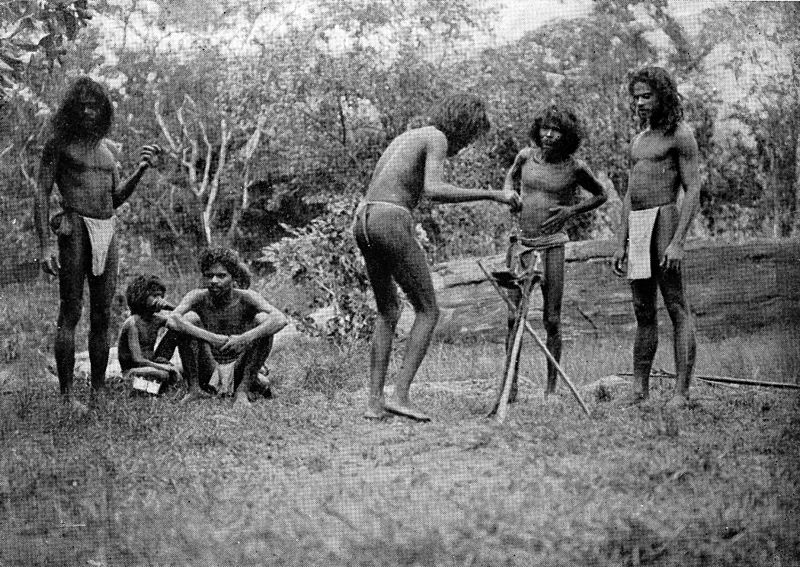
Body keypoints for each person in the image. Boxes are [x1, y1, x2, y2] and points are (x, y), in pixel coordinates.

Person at [354, 93, 522, 422]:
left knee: (387, 309)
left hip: (363, 218)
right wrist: (493, 194)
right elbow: (433, 190)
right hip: (389, 219)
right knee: (428, 310)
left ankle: (374, 402)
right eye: (471, 137)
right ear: (464, 127)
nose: (465, 146)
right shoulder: (438, 138)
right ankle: (400, 396)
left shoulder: (409, 135)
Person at [35, 76, 160, 413]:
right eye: (83, 106)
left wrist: (141, 169)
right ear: (72, 109)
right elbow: (42, 193)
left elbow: (115, 198)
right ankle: (66, 395)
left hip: (107, 227)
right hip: (75, 227)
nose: (89, 112)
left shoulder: (108, 152)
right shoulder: (59, 144)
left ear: (104, 110)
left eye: (95, 106)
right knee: (71, 311)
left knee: (103, 314)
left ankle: (98, 391)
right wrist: (45, 245)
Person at [502, 104, 608, 400]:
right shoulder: (525, 156)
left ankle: (550, 389)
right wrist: (509, 193)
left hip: (553, 246)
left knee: (551, 319)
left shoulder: (575, 167)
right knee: (514, 317)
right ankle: (510, 387)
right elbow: (510, 177)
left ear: (567, 136)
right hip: (521, 243)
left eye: (557, 130)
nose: (549, 135)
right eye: (545, 128)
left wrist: (570, 211)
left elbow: (602, 194)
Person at [612, 67, 700, 407]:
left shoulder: (680, 134)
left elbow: (693, 190)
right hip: (639, 223)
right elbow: (629, 195)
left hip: (665, 219)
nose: (639, 102)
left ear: (663, 96)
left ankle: (681, 392)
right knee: (642, 309)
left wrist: (678, 241)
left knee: (676, 306)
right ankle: (639, 390)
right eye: (635, 97)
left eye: (646, 95)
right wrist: (621, 241)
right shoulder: (638, 140)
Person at [167, 247, 287, 409]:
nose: (214, 281)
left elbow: (280, 319)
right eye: (209, 276)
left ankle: (242, 391)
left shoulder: (246, 297)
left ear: (233, 277)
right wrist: (211, 338)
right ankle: (194, 390)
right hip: (209, 366)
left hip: (239, 366)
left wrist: (245, 338)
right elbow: (173, 319)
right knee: (188, 320)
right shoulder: (197, 296)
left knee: (264, 321)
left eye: (221, 276)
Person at [117, 274, 178, 392]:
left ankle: (152, 388)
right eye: (154, 296)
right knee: (164, 374)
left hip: (152, 365)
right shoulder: (132, 323)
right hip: (133, 370)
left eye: (161, 296)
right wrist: (164, 367)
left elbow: (182, 321)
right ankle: (137, 387)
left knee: (176, 331)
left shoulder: (157, 319)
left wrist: (171, 307)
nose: (159, 300)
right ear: (141, 296)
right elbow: (137, 360)